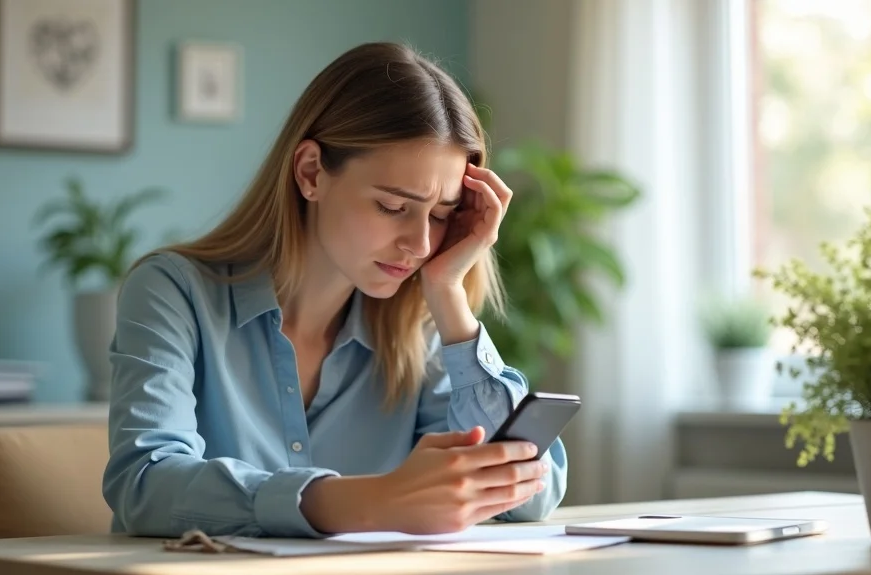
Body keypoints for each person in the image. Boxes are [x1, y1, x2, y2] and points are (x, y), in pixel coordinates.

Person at [101, 41, 569, 539]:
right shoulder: (173, 292)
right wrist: (362, 502)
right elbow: (144, 484)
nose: (421, 243)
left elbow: (529, 496)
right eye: (392, 207)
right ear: (310, 173)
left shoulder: (416, 326)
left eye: (440, 214)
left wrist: (449, 294)